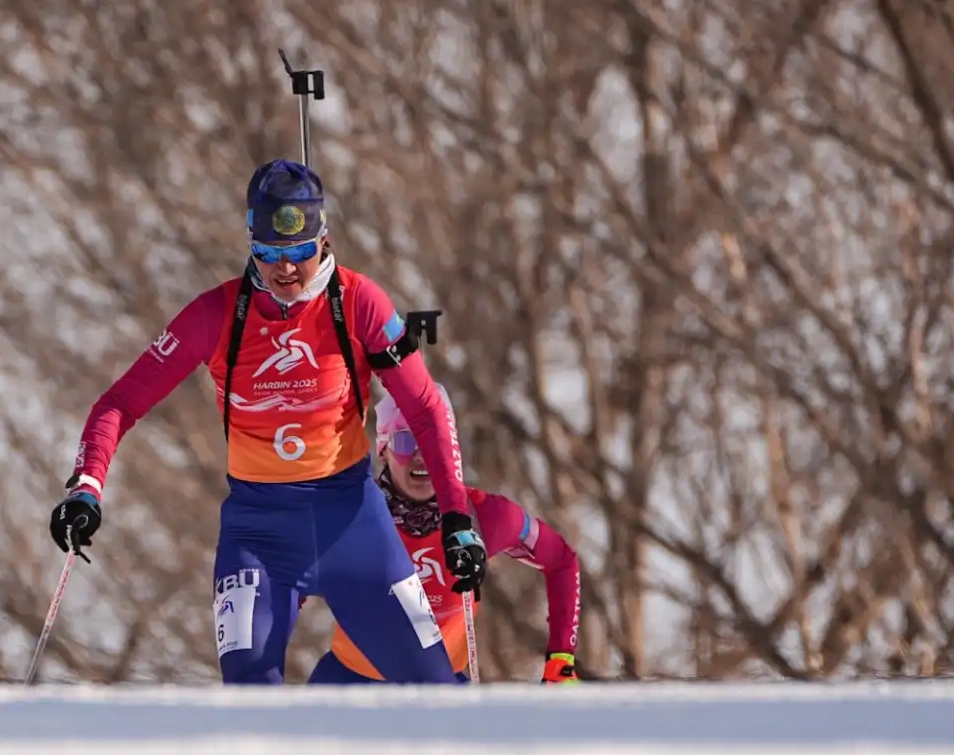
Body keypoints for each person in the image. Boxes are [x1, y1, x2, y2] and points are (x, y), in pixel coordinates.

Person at [48, 158, 488, 684]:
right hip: (258, 534)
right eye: (270, 254)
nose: (286, 270)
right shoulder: (216, 315)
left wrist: (456, 519)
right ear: (251, 245)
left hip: (353, 526)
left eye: (299, 253)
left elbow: (424, 406)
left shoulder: (358, 302)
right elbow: (119, 403)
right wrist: (86, 487)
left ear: (323, 240)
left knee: (435, 692)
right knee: (252, 699)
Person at [309, 386, 583, 685]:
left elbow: (561, 561)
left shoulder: (482, 517)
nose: (422, 457)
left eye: (432, 442)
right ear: (383, 448)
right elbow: (284, 578)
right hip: (350, 685)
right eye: (405, 440)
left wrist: (561, 658)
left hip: (440, 688)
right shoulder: (353, 514)